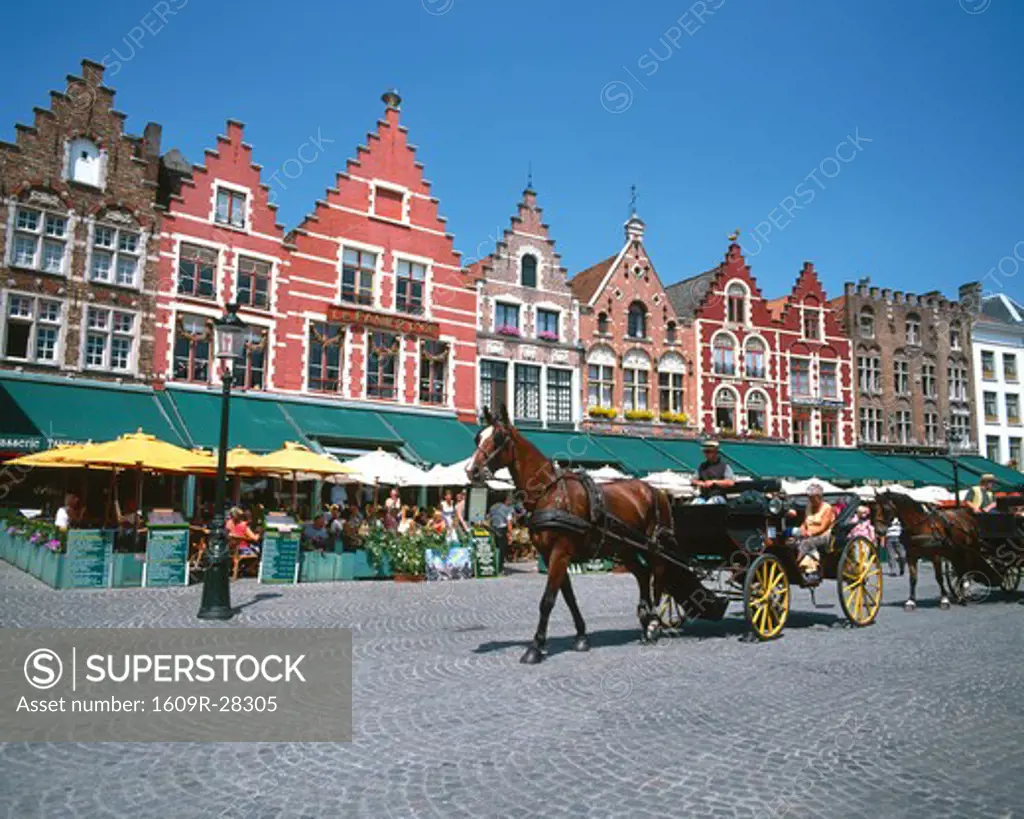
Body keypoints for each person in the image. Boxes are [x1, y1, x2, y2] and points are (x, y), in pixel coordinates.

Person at [789, 483, 835, 583]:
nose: (811, 500)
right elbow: (805, 523)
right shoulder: (809, 507)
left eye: (812, 498)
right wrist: (802, 530)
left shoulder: (827, 508)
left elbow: (823, 526)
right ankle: (792, 565)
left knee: (807, 543)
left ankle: (807, 568)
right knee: (790, 541)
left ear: (819, 497)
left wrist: (810, 533)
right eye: (809, 498)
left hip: (824, 535)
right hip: (809, 534)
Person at [691, 440, 735, 505]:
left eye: (708, 452)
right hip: (704, 496)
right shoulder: (702, 466)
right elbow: (693, 480)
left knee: (709, 505)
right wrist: (701, 483)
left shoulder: (724, 466)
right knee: (694, 505)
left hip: (718, 496)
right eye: (705, 452)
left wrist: (714, 482)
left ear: (715, 452)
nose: (706, 454)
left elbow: (730, 482)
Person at [487, 495, 515, 560]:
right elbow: (509, 522)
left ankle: (494, 560)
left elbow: (489, 518)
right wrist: (510, 534)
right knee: (502, 547)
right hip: (502, 530)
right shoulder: (507, 509)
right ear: (505, 500)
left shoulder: (492, 507)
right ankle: (500, 562)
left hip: (493, 528)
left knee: (494, 545)